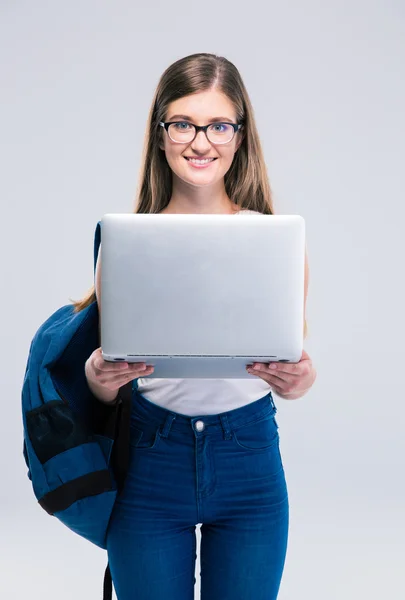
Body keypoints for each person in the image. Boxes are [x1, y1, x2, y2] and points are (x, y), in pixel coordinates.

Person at [72, 52, 317, 600]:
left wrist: (302, 380)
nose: (200, 141)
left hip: (248, 457)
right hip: (151, 460)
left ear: (239, 137)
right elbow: (106, 383)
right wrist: (98, 379)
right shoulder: (125, 242)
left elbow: (293, 361)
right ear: (161, 135)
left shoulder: (276, 241)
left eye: (218, 125)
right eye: (183, 123)